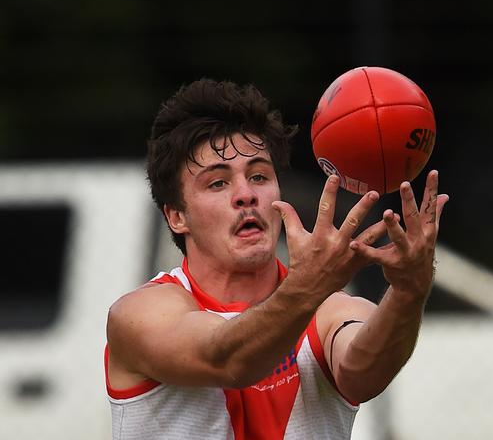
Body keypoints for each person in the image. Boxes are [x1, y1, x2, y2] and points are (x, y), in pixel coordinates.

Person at [104, 78, 449, 439]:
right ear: (177, 216)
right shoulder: (140, 315)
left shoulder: (328, 311)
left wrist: (410, 290)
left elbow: (363, 373)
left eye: (258, 176)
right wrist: (308, 287)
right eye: (217, 183)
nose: (246, 195)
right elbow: (227, 360)